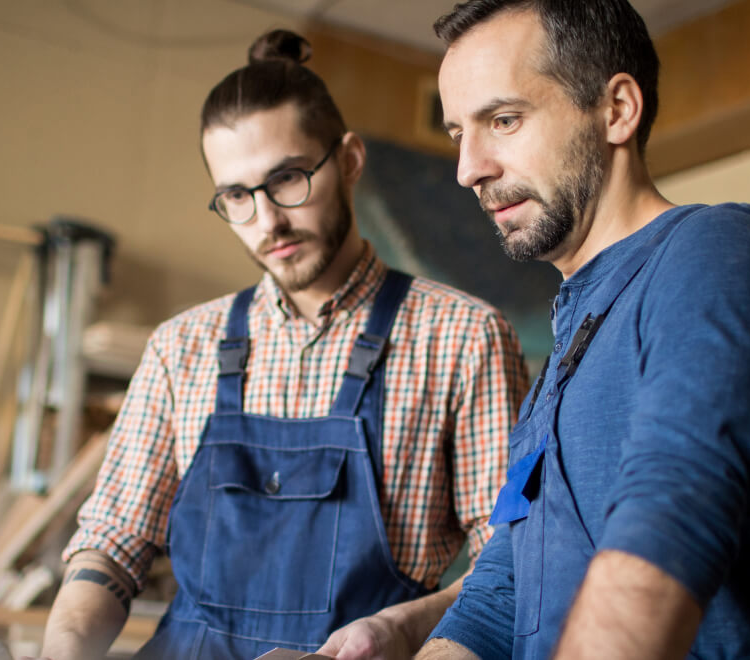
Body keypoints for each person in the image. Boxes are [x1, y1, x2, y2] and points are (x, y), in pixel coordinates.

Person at [37, 29, 530, 660]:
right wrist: (66, 646)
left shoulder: (463, 339)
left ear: (349, 159)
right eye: (236, 197)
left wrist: (396, 630)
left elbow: (512, 565)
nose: (267, 220)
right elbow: (112, 543)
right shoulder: (181, 348)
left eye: (289, 179)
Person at [418, 1, 750, 659]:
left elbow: (666, 532)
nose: (469, 168)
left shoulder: (716, 254)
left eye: (503, 120)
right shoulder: (564, 354)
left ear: (616, 109)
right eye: (456, 134)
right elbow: (505, 592)